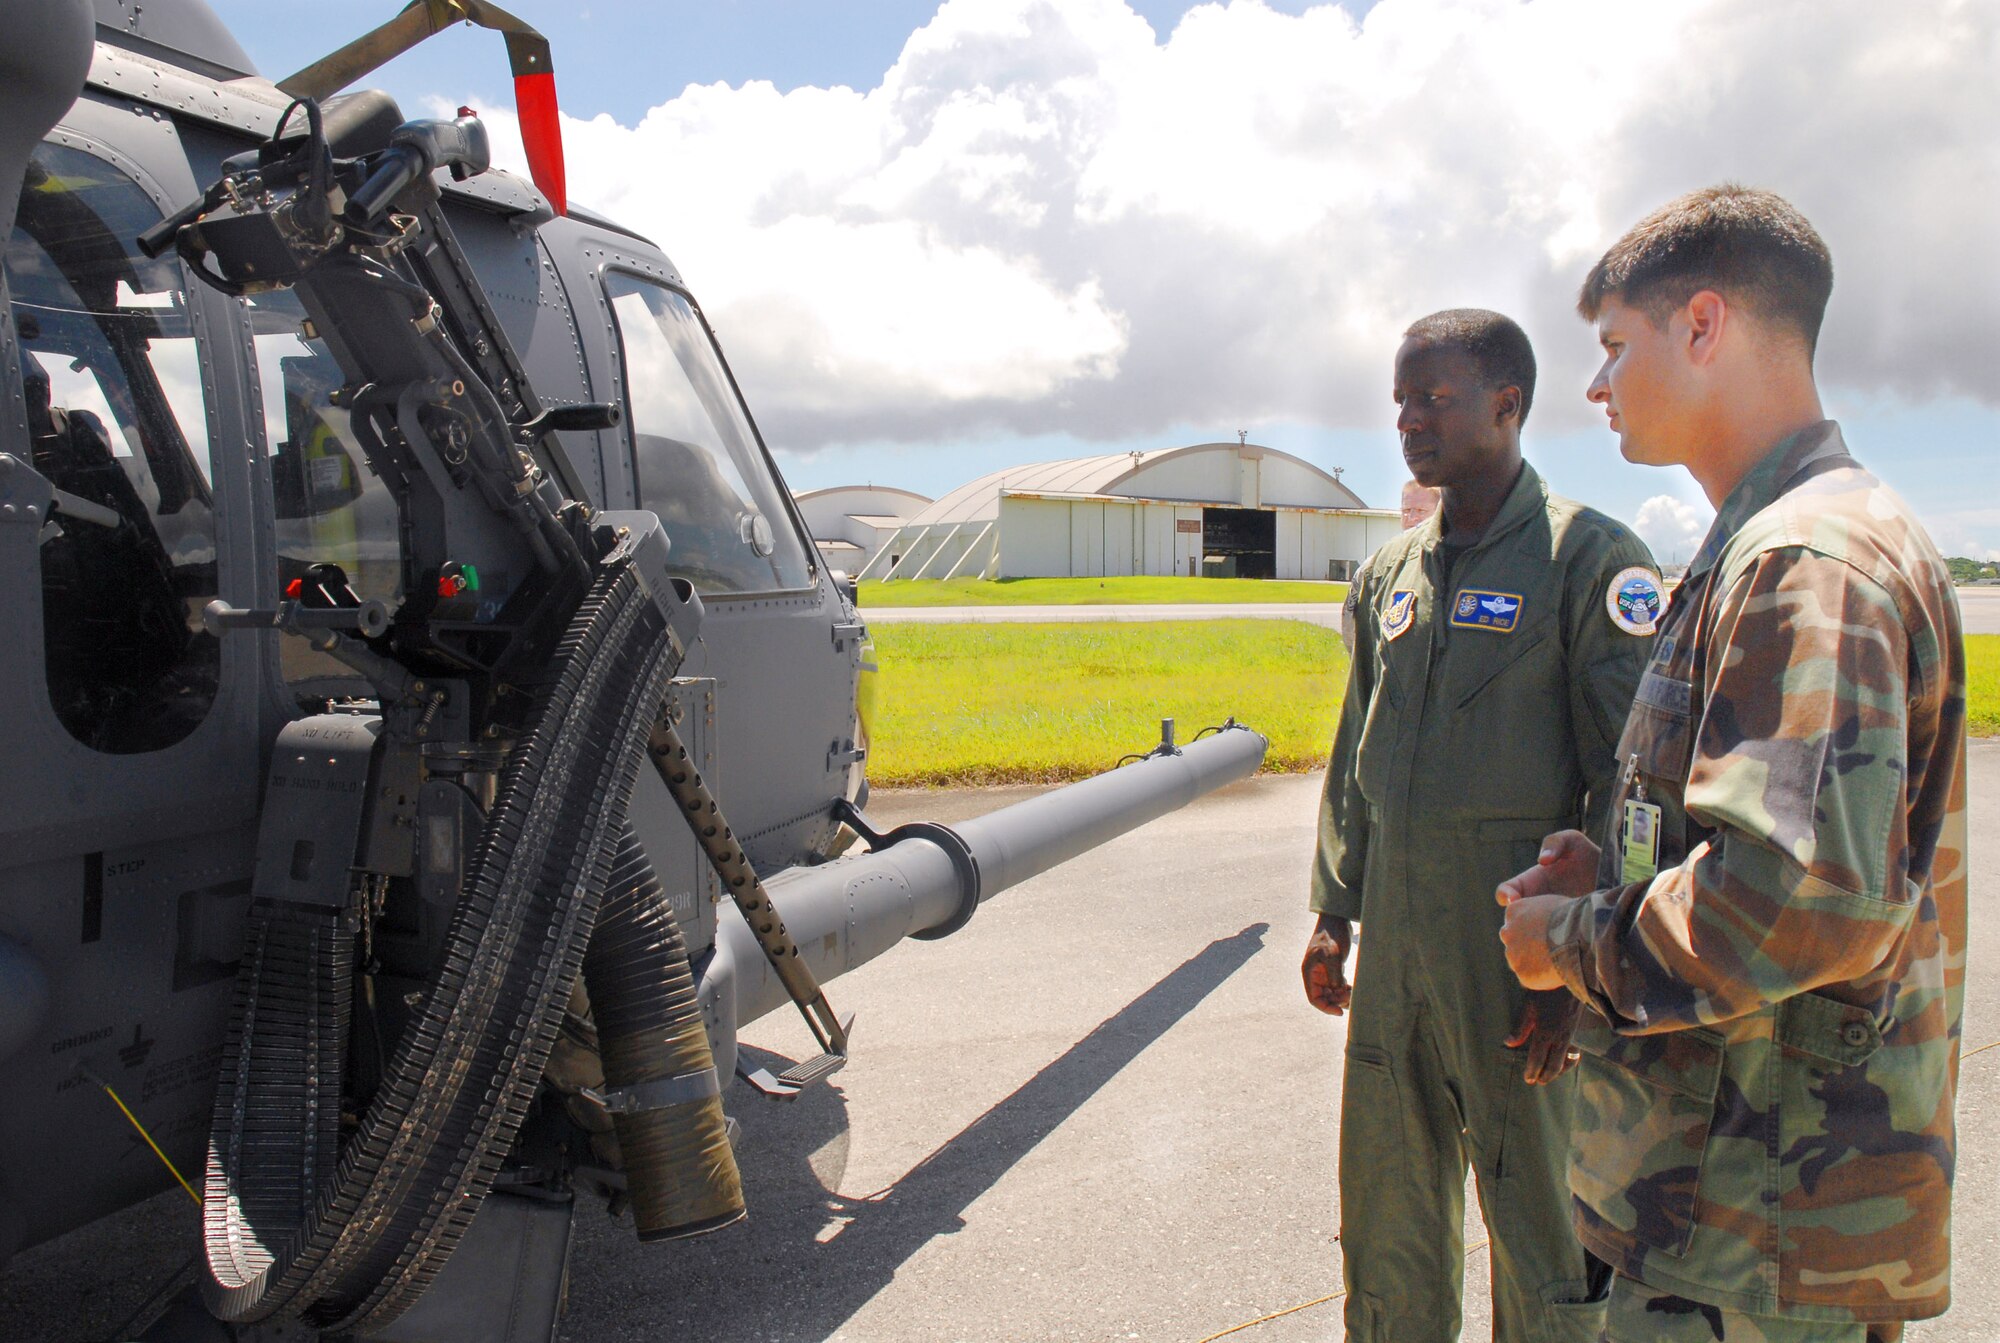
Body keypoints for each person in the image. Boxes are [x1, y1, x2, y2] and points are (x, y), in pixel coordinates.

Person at [1497, 186, 1967, 1343]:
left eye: (1613, 347)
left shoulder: (1807, 558)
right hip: (1725, 1213)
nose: (1596, 387)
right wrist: (1603, 861)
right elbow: (1753, 833)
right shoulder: (1761, 543)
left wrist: (1563, 942)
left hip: (1753, 1234)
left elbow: (1794, 899)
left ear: (1701, 325)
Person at [1305, 308, 1662, 1340]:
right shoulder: (1389, 576)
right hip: (1397, 946)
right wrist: (1334, 907)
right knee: (1387, 1209)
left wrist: (1578, 973)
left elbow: (1626, 780)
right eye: (1400, 400)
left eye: (1435, 397)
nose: (1409, 420)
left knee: (1541, 1219)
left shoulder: (1589, 560)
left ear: (1506, 405)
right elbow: (1353, 763)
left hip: (1519, 956)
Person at [1340, 481, 1441, 653]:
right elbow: (1351, 625)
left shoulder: (1448, 566)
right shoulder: (1375, 566)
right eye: (1406, 511)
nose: (1412, 518)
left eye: (1421, 511)